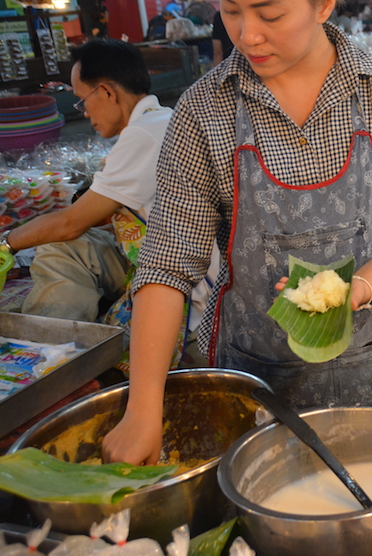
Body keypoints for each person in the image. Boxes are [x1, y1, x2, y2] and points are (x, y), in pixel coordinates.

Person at [102, 0, 372, 465]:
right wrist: (142, 408)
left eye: (269, 12)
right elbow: (165, 264)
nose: (247, 34)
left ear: (325, 1)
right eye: (230, 11)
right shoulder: (204, 110)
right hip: (259, 394)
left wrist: (355, 288)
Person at [5, 39, 215, 363]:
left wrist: (8, 245)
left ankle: (53, 359)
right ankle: (54, 340)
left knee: (59, 245)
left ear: (106, 92)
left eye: (81, 101)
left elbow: (69, 223)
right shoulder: (159, 120)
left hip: (191, 291)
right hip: (165, 256)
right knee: (66, 249)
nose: (84, 113)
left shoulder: (145, 135)